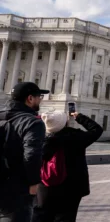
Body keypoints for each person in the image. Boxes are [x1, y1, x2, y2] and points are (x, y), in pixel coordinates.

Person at [32, 111, 103, 222]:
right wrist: (80, 117)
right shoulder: (76, 137)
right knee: (66, 217)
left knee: (42, 216)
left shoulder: (40, 139)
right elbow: (97, 130)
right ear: (64, 123)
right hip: (72, 187)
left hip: (46, 186)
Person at [0, 82, 49, 222]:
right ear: (30, 99)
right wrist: (33, 183)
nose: (40, 99)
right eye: (39, 96)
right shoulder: (33, 122)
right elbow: (32, 155)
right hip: (16, 187)